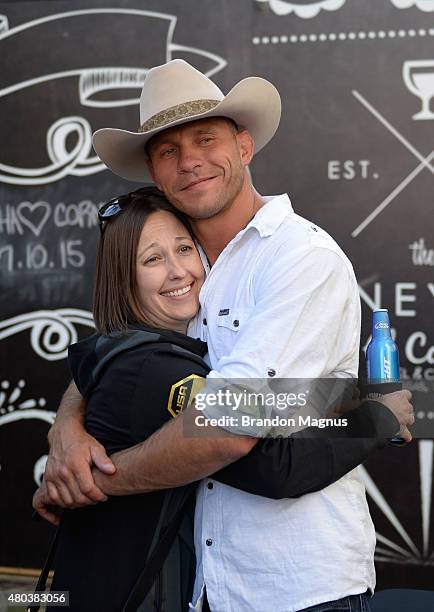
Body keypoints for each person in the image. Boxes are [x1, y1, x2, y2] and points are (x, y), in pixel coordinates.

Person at [34, 60, 414, 611]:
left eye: (205, 138)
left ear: (243, 146)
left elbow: (230, 429)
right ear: (154, 173)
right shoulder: (186, 272)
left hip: (296, 587)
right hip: (203, 584)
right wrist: (67, 427)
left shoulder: (298, 258)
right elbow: (125, 356)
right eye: (168, 151)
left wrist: (91, 485)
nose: (189, 161)